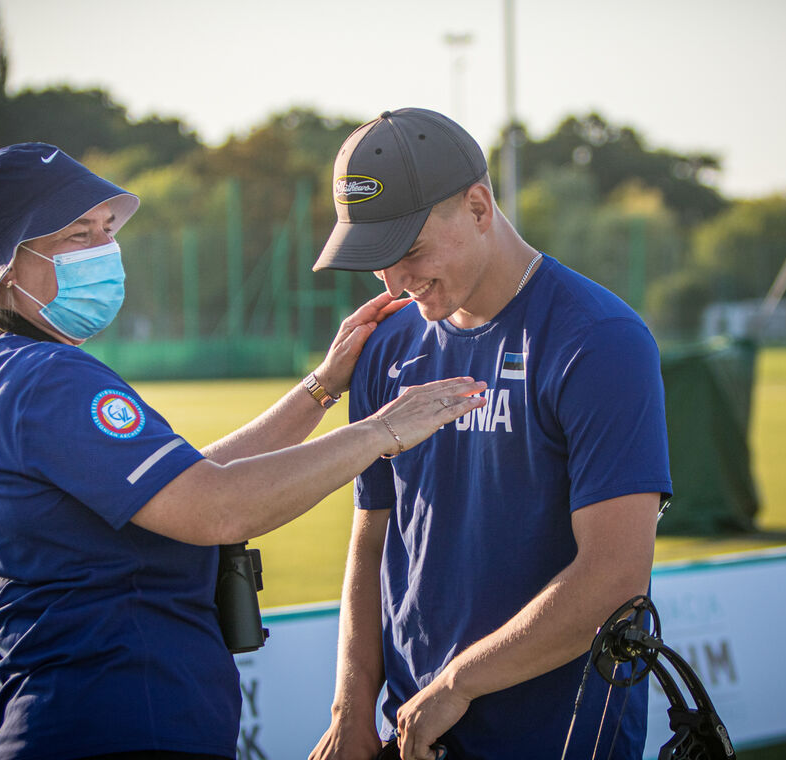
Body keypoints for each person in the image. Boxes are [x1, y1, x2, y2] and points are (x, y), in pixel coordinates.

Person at [0, 142, 487, 760]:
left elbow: (189, 481)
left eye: (105, 231)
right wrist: (381, 431)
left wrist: (322, 388)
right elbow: (215, 507)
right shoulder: (48, 379)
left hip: (93, 723)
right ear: (8, 266)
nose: (101, 249)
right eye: (74, 236)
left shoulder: (7, 371)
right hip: (112, 727)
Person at [308, 109, 672, 760]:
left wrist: (458, 682)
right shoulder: (388, 343)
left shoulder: (599, 341)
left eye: (410, 251)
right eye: (376, 261)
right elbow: (374, 537)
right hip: (416, 732)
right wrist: (352, 707)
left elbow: (616, 576)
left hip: (560, 739)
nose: (395, 281)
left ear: (479, 207)